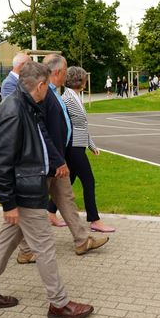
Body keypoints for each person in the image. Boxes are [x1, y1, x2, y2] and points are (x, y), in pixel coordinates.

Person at [0, 61, 95, 318]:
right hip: (24, 191)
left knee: (6, 242)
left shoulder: (28, 106)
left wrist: (55, 161)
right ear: (39, 85)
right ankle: (59, 303)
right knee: (45, 246)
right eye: (46, 87)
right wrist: (8, 203)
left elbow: (41, 139)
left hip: (28, 186)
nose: (47, 91)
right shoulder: (14, 111)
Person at [16, 54, 109, 264]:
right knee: (34, 206)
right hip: (49, 161)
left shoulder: (53, 93)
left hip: (58, 158)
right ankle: (25, 249)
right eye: (66, 70)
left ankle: (82, 239)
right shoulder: (43, 94)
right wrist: (58, 160)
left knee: (66, 199)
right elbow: (44, 131)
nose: (67, 75)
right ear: (58, 72)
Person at [56, 66, 115, 232]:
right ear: (80, 80)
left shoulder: (73, 96)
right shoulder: (67, 98)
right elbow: (70, 126)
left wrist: (91, 145)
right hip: (74, 147)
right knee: (88, 181)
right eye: (84, 78)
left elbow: (81, 125)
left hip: (79, 146)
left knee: (68, 181)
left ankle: (50, 211)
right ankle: (94, 220)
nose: (86, 81)